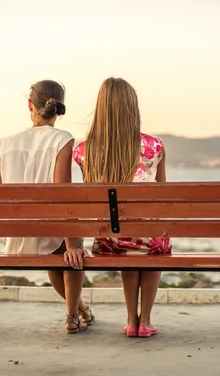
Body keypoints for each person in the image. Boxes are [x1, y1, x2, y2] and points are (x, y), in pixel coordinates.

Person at [73, 77, 171, 337]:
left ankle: (131, 319)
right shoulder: (155, 146)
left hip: (109, 239)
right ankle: (145, 321)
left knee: (127, 239)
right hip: (150, 241)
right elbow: (162, 194)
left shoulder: (84, 150)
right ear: (133, 108)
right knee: (152, 239)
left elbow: (89, 195)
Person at [0, 80, 94, 334]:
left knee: (60, 248)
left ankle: (82, 309)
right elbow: (62, 194)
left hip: (17, 237)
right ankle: (72, 315)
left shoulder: (6, 142)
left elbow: (0, 195)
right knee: (70, 250)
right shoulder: (62, 139)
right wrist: (73, 243)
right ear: (61, 107)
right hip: (48, 233)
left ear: (30, 105)